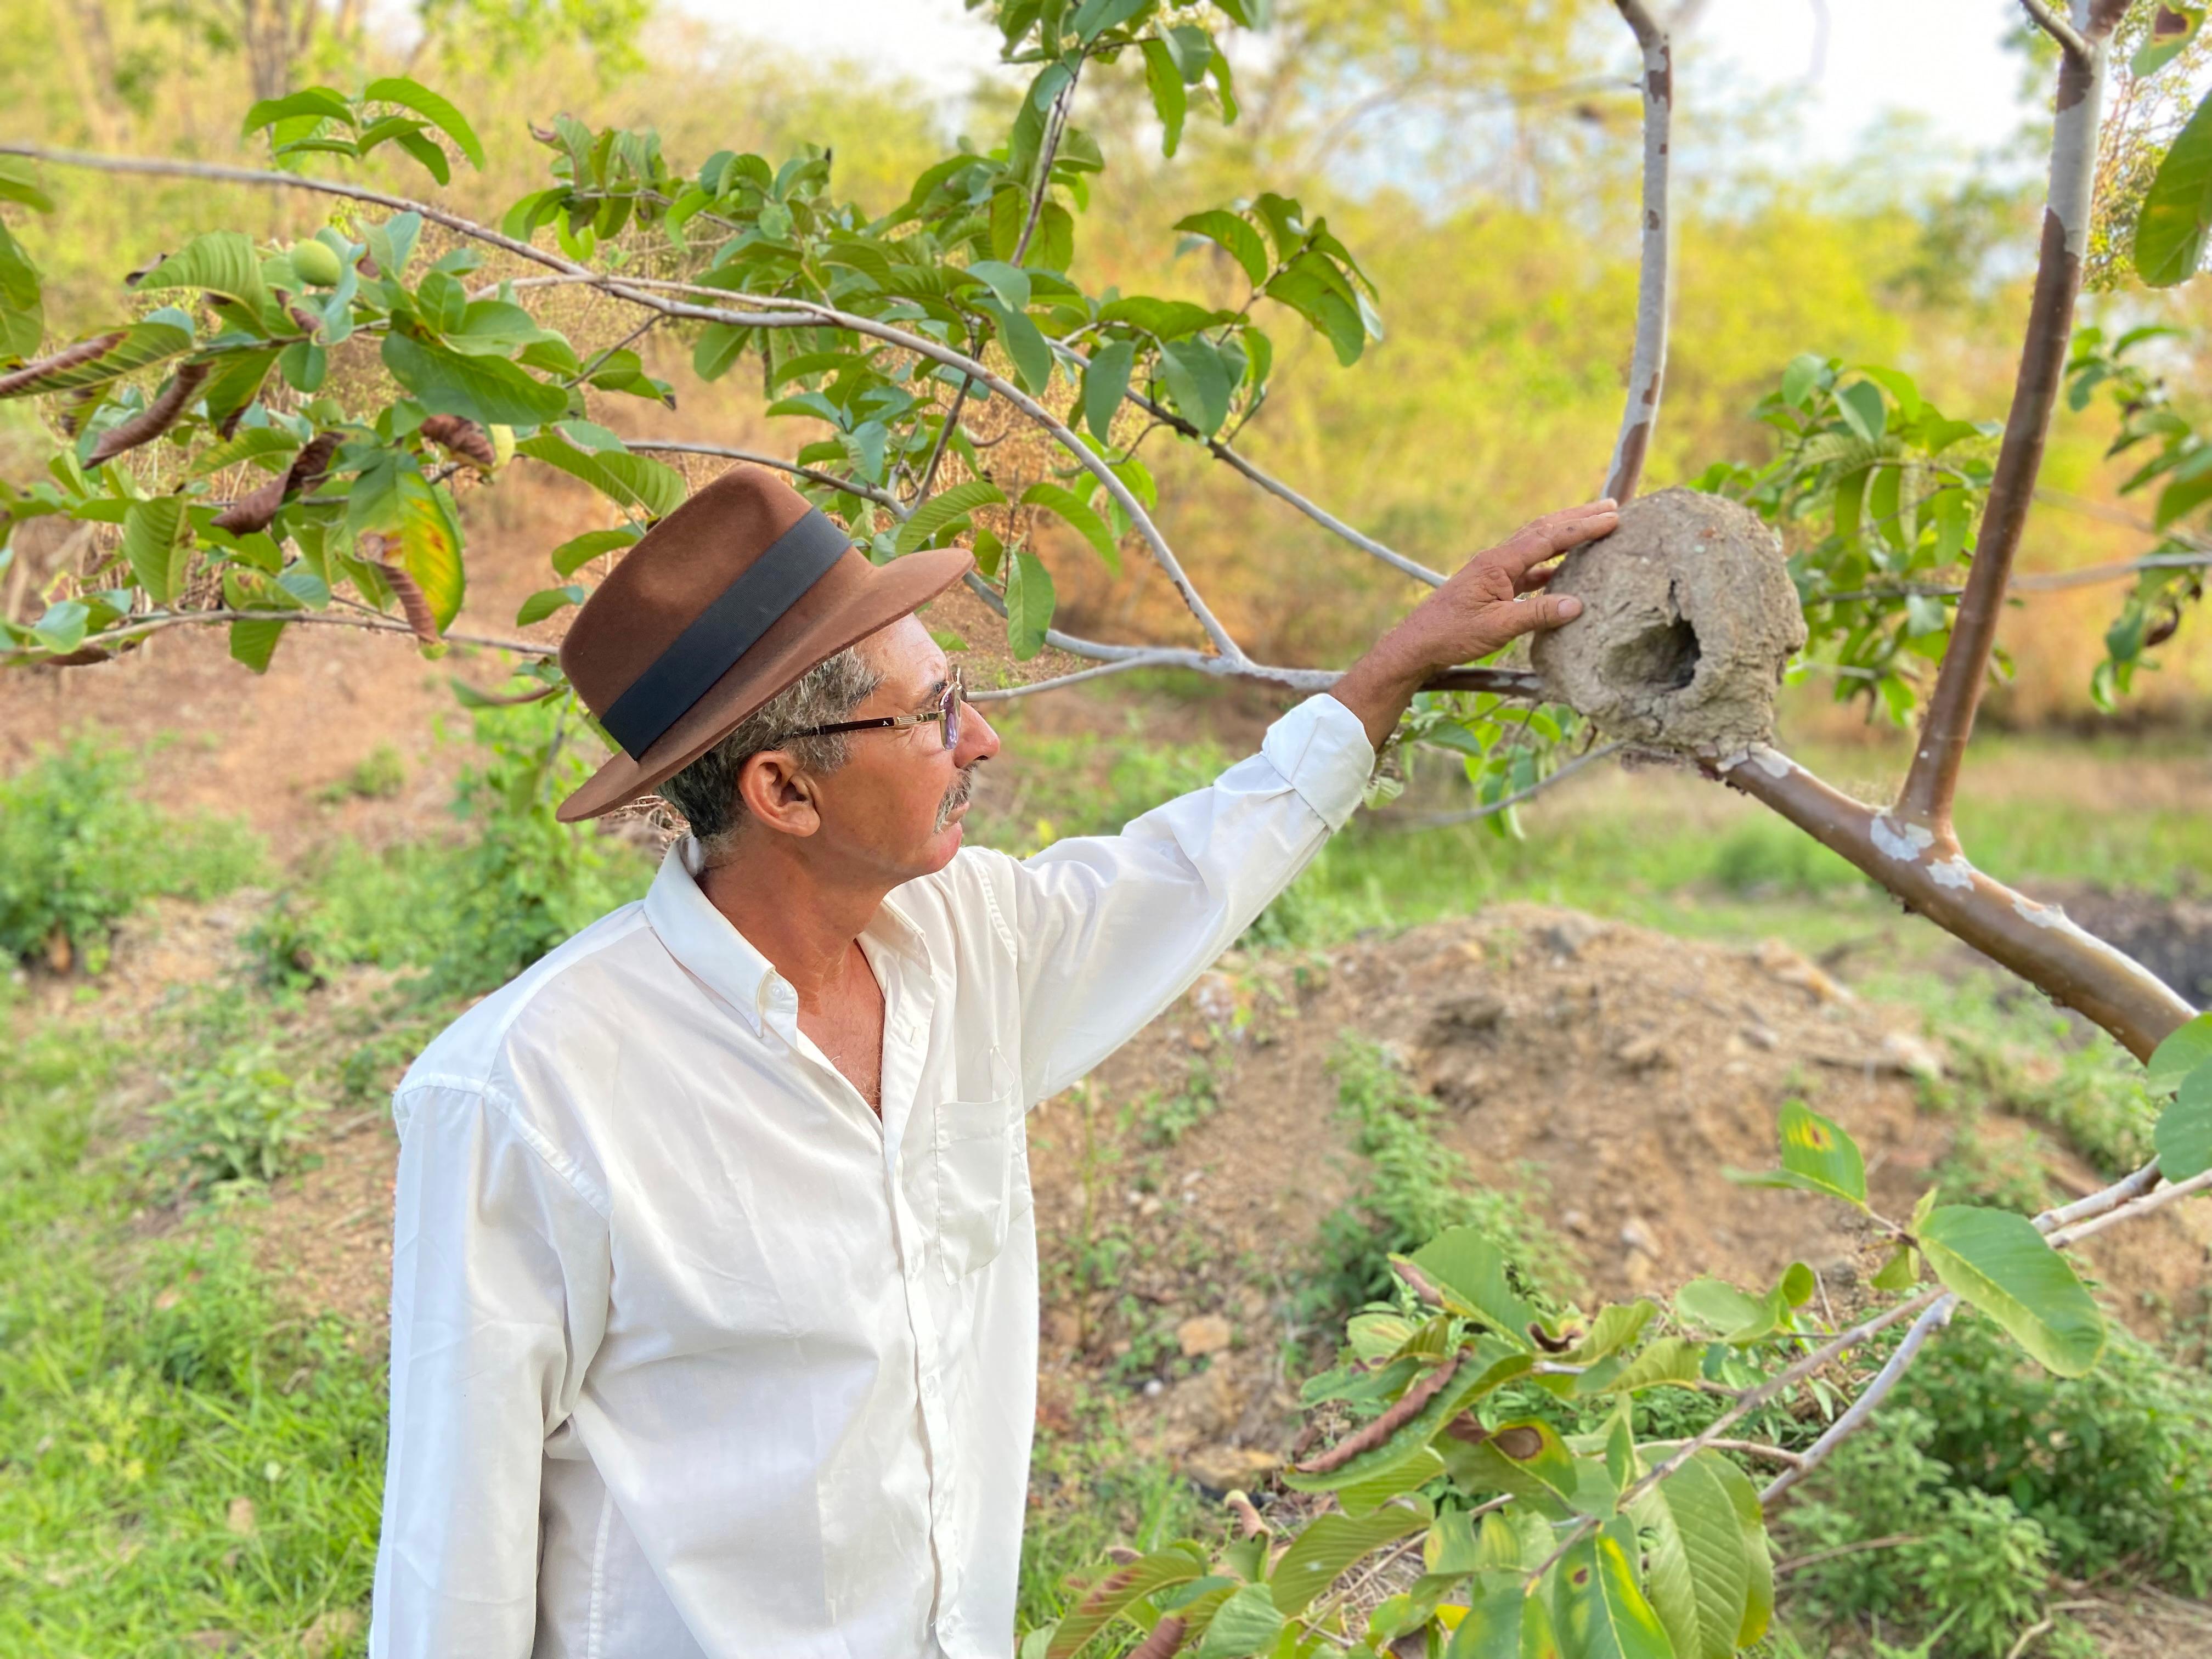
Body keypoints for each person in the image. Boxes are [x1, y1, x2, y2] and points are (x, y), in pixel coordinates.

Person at [368, 465, 1616, 1658]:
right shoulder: (527, 1092)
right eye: (930, 715)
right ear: (784, 791)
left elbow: (1182, 875)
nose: (981, 744)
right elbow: (451, 1558)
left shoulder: (964, 947)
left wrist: (1391, 670)